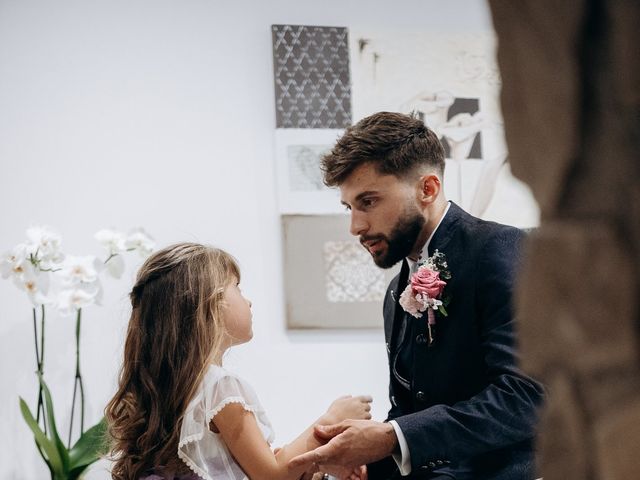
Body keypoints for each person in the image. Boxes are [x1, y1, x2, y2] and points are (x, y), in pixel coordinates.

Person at [289, 112, 545, 479]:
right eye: (350, 207)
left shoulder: (499, 249)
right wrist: (369, 459)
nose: (356, 226)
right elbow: (410, 410)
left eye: (369, 201)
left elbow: (527, 395)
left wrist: (391, 438)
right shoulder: (396, 293)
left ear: (428, 189)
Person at [105, 242, 371, 480]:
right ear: (210, 304)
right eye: (238, 288)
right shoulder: (220, 387)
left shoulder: (178, 387)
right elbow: (270, 476)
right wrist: (332, 419)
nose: (249, 301)